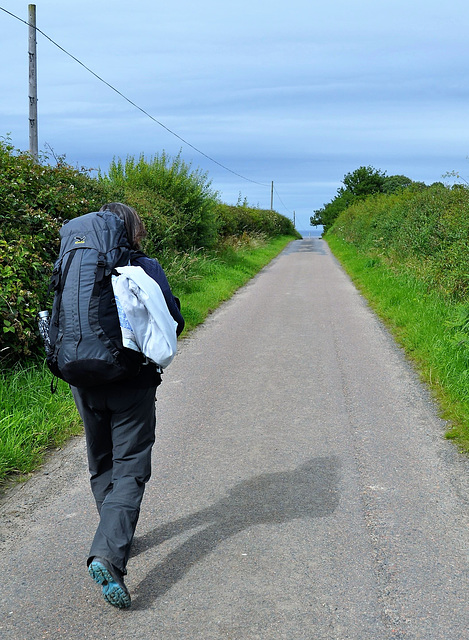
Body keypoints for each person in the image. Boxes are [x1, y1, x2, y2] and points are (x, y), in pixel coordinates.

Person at [70, 202, 184, 609]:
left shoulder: (74, 265)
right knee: (131, 466)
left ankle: (113, 538)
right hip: (131, 381)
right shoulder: (144, 266)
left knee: (101, 463)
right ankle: (108, 554)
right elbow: (173, 319)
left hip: (81, 378)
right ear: (132, 229)